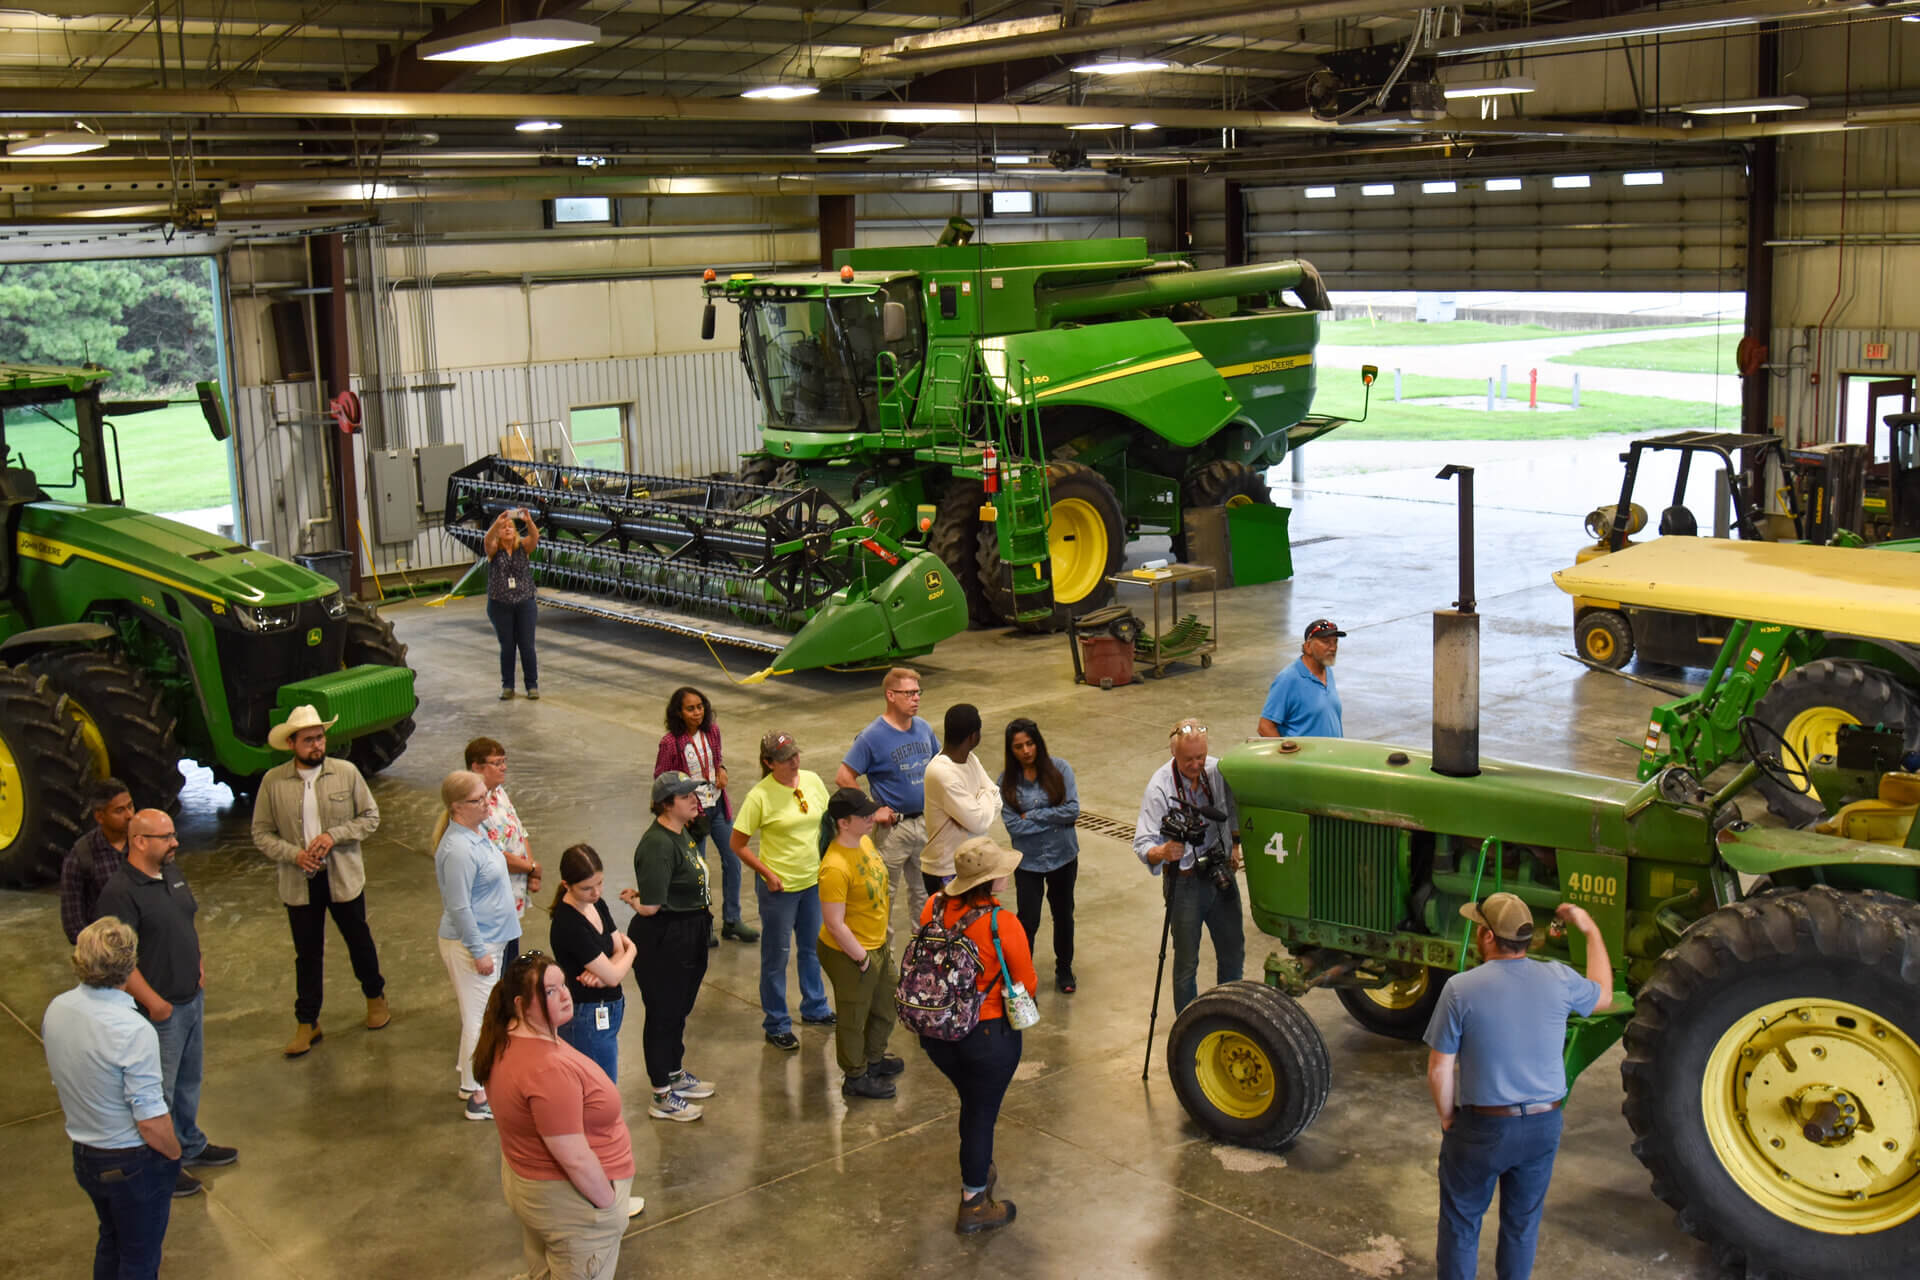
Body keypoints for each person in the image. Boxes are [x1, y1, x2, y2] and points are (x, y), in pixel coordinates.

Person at [1425, 893, 1611, 1280]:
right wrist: (1590, 929)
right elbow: (1603, 995)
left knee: (1461, 1224)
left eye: (1479, 927)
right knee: (1521, 1226)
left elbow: (1440, 1070)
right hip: (1544, 1126)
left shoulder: (1461, 988)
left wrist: (1448, 1120)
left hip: (1485, 1127)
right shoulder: (1559, 977)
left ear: (1488, 937)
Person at [94, 809, 239, 1198]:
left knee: (189, 1080)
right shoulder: (119, 893)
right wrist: (155, 1004)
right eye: (166, 837)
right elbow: (118, 962)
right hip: (159, 1012)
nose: (175, 842)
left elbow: (185, 921)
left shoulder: (172, 873)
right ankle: (162, 1165)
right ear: (140, 841)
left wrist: (199, 964)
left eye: (174, 835)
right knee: (158, 1093)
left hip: (191, 997)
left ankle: (189, 1144)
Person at [474, 953, 638, 1280]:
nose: (565, 995)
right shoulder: (547, 1070)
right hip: (571, 1206)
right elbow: (573, 1156)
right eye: (550, 991)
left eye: (563, 985)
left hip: (533, 1188)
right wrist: (608, 1210)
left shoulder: (505, 1038)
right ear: (521, 1004)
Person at [43, 917, 182, 1279]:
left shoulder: (58, 1008)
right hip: (130, 1162)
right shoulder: (132, 1030)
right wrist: (174, 1154)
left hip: (85, 1155)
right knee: (140, 1259)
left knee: (112, 1241)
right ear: (131, 964)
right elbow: (151, 1122)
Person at [250, 704, 388, 1058]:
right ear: (292, 743)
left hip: (342, 876)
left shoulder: (346, 773)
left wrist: (334, 835)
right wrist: (293, 854)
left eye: (320, 737)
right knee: (307, 954)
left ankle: (375, 997)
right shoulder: (273, 782)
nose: (317, 745)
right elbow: (261, 833)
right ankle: (307, 1021)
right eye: (309, 739)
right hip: (299, 881)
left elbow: (370, 817)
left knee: (359, 940)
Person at [914, 837, 1035, 1235]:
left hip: (937, 1033)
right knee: (981, 1115)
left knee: (973, 1103)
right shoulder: (1002, 923)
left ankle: (979, 1164)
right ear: (991, 881)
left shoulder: (933, 906)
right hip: (986, 1036)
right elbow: (1026, 983)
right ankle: (974, 1201)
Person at [620, 772, 717, 1122]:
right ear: (665, 804)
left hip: (689, 931)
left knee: (679, 1009)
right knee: (663, 1014)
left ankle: (674, 1072)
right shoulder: (657, 844)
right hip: (665, 938)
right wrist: (634, 899)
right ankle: (661, 1093)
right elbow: (651, 906)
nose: (694, 799)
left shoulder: (681, 833)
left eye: (693, 793)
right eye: (685, 796)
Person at [730, 731, 835, 1051]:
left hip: (812, 883)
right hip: (780, 889)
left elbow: (828, 822)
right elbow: (738, 844)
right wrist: (767, 874)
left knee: (811, 949)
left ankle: (815, 1007)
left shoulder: (813, 781)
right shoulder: (759, 796)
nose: (794, 761)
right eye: (785, 757)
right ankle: (776, 1022)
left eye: (795, 754)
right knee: (776, 956)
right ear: (768, 763)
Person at [1133, 720, 1244, 1016]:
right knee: (1186, 964)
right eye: (1188, 760)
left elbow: (1233, 810)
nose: (1197, 765)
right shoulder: (1160, 786)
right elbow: (1142, 843)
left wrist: (1234, 845)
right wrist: (1163, 851)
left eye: (1201, 757)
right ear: (1174, 755)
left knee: (1233, 952)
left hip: (1220, 873)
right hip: (1184, 883)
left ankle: (1232, 1018)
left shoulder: (1217, 771)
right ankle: (1188, 1024)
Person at [433, 769, 520, 1121]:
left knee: (480, 1014)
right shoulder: (456, 850)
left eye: (486, 795)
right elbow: (458, 906)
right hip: (474, 944)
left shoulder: (477, 830)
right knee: (480, 1019)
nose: (487, 802)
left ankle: (471, 1083)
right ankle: (479, 1098)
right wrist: (479, 951)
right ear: (457, 807)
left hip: (492, 938)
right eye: (478, 799)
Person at [815, 787, 905, 1100]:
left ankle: (874, 1059)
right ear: (843, 823)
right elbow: (834, 924)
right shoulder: (835, 867)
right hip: (850, 953)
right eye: (863, 815)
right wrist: (861, 959)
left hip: (876, 944)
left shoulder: (864, 842)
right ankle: (855, 1076)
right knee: (854, 1016)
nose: (871, 817)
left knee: (888, 1002)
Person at [836, 667, 941, 930]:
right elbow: (844, 776)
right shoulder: (872, 736)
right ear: (891, 695)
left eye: (918, 692)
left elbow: (941, 765)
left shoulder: (924, 728)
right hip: (893, 829)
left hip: (925, 825)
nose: (916, 698)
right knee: (884, 898)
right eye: (909, 693)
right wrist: (872, 810)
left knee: (925, 898)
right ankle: (886, 967)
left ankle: (923, 963)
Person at [655, 686, 755, 946]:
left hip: (718, 807)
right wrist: (677, 811)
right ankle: (701, 925)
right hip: (692, 815)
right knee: (697, 871)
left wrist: (722, 770)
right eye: (690, 708)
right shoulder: (670, 743)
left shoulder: (712, 732)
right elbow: (661, 779)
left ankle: (732, 920)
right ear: (679, 712)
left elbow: (716, 759)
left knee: (733, 860)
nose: (697, 712)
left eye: (700, 706)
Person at [999, 719, 1081, 994]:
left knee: (1063, 914)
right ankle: (1023, 977)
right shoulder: (1006, 783)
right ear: (1011, 750)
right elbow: (1014, 826)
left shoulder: (1061, 769)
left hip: (1063, 857)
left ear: (1038, 743)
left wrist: (1033, 815)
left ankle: (1064, 969)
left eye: (1030, 744)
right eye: (1018, 746)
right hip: (1028, 863)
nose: (1026, 751)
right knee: (1028, 920)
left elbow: (1072, 810)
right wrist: (1054, 820)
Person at [548, 844, 636, 1083]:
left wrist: (609, 966)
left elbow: (617, 949)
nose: (596, 892)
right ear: (566, 885)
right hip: (585, 1016)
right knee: (600, 1089)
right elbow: (616, 973)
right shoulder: (569, 924)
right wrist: (634, 950)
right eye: (587, 888)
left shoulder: (596, 903)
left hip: (606, 1009)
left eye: (600, 883)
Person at [468, 736, 541, 965]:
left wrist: (531, 869)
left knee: (512, 959)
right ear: (476, 767)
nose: (504, 767)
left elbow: (519, 830)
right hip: (493, 904)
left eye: (504, 761)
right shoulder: (474, 805)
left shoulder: (499, 793)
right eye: (497, 762)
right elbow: (494, 855)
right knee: (500, 966)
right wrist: (531, 867)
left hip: (512, 898)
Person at [921, 703, 1002, 898]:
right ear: (974, 736)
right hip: (946, 871)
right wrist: (983, 797)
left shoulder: (970, 759)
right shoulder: (942, 772)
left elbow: (997, 796)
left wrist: (978, 803)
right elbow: (978, 822)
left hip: (971, 864)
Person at [59, 777, 134, 944]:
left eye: (130, 806)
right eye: (119, 810)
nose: (129, 815)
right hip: (108, 952)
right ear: (100, 817)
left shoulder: (142, 842)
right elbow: (73, 924)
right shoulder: (80, 858)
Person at [485, 504, 541, 700]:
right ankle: (507, 686)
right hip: (500, 604)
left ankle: (532, 686)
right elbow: (487, 540)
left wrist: (529, 522)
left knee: (527, 645)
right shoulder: (494, 551)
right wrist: (496, 524)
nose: (508, 528)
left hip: (524, 602)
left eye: (511, 526)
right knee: (507, 646)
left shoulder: (522, 548)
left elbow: (535, 538)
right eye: (504, 527)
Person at [1258, 618, 1345, 738]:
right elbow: (1265, 727)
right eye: (1326, 642)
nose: (1333, 648)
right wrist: (1286, 754)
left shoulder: (1327, 671)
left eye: (1335, 642)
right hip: (1304, 757)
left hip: (1331, 755)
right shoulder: (1288, 679)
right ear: (1308, 647)